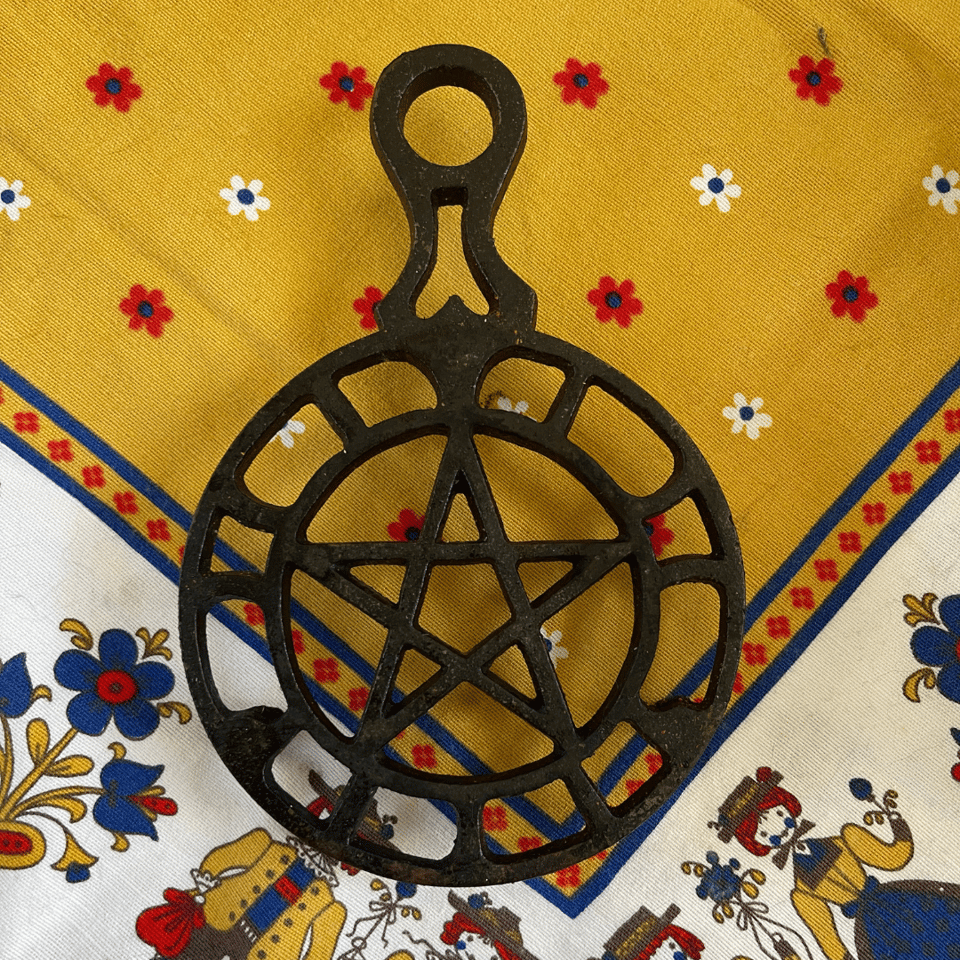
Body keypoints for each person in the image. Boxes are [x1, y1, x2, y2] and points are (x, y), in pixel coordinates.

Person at [711, 767, 960, 960]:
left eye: (778, 814)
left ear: (788, 807)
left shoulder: (848, 838)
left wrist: (896, 821)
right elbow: (829, 939)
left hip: (909, 903)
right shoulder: (802, 893)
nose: (777, 828)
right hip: (877, 933)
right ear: (758, 843)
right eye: (763, 832)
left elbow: (895, 857)